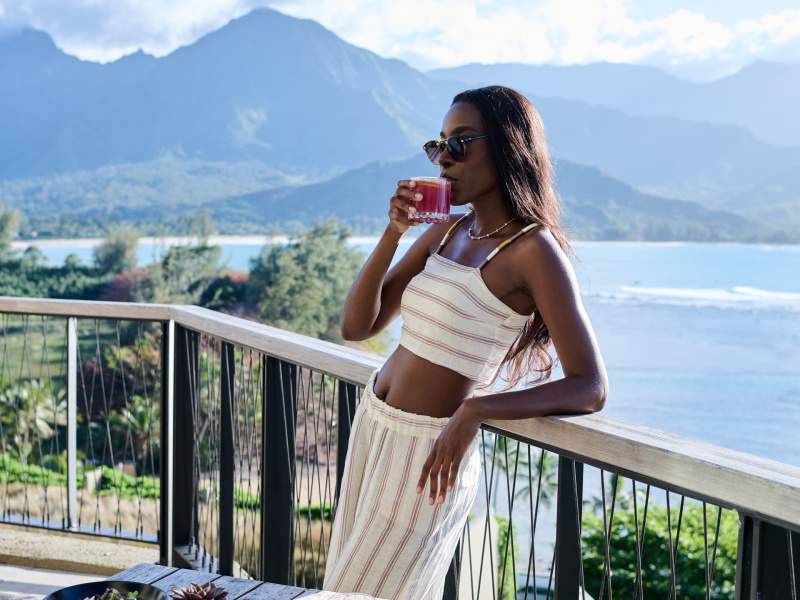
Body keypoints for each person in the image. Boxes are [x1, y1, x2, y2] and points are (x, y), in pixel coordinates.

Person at [322, 85, 608, 599]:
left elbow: (590, 386)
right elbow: (358, 326)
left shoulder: (534, 251)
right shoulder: (448, 232)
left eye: (459, 143)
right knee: (339, 588)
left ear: (508, 146)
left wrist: (476, 410)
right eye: (438, 145)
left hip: (428, 453)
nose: (443, 159)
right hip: (375, 426)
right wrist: (393, 233)